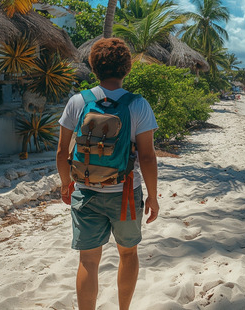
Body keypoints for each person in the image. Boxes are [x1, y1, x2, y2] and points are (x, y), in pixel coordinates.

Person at [55, 37, 159, 310]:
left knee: (88, 261)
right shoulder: (138, 105)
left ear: (93, 67)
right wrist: (152, 196)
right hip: (125, 194)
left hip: (86, 191)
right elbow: (147, 157)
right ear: (127, 68)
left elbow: (61, 152)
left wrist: (66, 185)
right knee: (128, 254)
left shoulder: (78, 102)